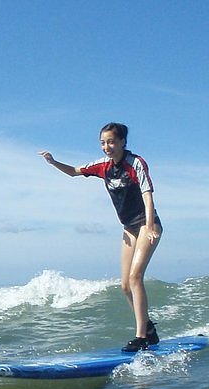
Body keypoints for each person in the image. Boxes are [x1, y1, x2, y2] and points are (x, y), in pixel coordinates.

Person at [39, 123, 162, 352]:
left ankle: (141, 336)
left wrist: (151, 224)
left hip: (146, 225)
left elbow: (147, 194)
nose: (107, 147)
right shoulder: (102, 166)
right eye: (103, 143)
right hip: (128, 229)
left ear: (123, 142)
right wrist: (54, 162)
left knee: (136, 277)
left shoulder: (136, 163)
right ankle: (149, 329)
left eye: (112, 142)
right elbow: (75, 172)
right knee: (125, 285)